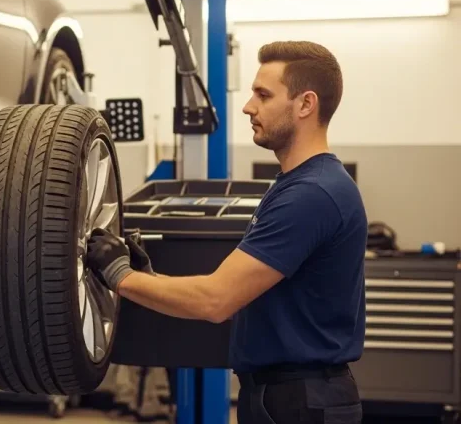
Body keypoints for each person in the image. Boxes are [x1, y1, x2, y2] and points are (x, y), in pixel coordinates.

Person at [88, 41, 367, 424]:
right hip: (282, 394)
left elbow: (215, 300)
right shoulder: (294, 185)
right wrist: (150, 280)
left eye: (263, 95)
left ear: (306, 104)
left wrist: (119, 276)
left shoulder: (311, 194)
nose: (248, 106)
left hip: (302, 402)